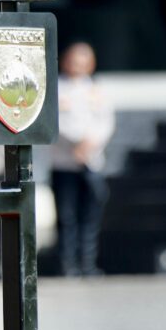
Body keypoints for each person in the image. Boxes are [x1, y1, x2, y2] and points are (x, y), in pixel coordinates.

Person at [49, 41, 115, 277]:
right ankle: (68, 265)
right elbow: (56, 121)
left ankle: (87, 263)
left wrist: (91, 142)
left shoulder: (96, 89)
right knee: (66, 217)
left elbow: (106, 122)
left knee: (90, 216)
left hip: (91, 162)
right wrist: (77, 141)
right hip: (64, 162)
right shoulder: (56, 88)